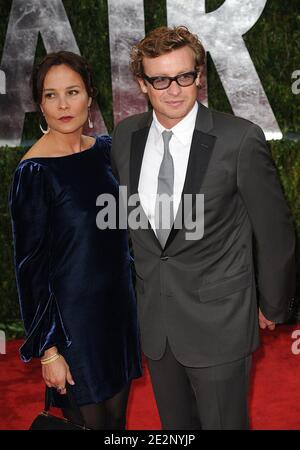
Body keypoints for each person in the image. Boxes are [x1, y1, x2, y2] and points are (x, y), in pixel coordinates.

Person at [111, 26, 296, 430]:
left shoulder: (239, 139)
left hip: (220, 321)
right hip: (156, 324)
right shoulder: (125, 137)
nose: (174, 89)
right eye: (160, 79)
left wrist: (272, 303)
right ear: (142, 84)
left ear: (200, 76)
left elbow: (275, 231)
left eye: (184, 76)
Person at [9, 51, 142, 430]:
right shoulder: (34, 171)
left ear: (90, 96)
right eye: (51, 95)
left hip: (117, 315)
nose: (64, 104)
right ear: (40, 104)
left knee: (117, 424)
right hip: (72, 327)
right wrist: (48, 351)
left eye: (73, 91)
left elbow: (125, 229)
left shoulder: (105, 150)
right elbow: (30, 269)